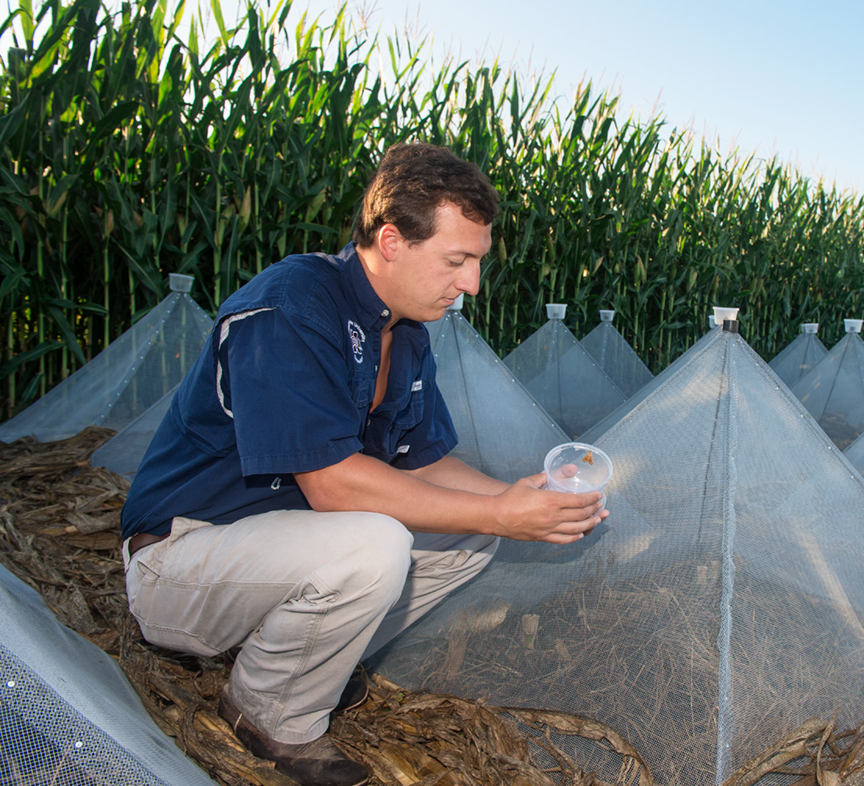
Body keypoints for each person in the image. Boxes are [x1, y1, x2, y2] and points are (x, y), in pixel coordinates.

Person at [119, 143, 607, 786]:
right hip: (182, 559)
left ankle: (300, 659)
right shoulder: (292, 306)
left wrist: (519, 501)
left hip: (275, 551)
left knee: (470, 534)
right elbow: (331, 484)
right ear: (392, 241)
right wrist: (500, 511)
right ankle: (267, 715)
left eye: (477, 263)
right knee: (374, 542)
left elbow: (426, 463)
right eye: (457, 261)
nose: (472, 285)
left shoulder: (405, 335)